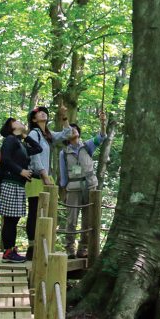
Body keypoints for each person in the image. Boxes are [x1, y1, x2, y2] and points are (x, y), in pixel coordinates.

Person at [24, 104, 72, 260]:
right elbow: (34, 156)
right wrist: (44, 175)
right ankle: (32, 247)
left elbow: (67, 133)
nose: (43, 114)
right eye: (39, 113)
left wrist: (64, 116)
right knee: (34, 212)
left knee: (46, 213)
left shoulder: (47, 135)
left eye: (45, 112)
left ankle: (43, 245)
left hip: (46, 178)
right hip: (37, 178)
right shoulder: (33, 133)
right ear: (33, 118)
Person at [57, 110, 105, 258]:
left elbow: (101, 137)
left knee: (88, 219)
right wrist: (63, 190)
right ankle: (69, 248)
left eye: (75, 128)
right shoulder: (64, 153)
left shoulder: (87, 146)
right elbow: (63, 175)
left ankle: (83, 248)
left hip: (90, 187)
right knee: (71, 219)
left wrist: (103, 122)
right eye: (71, 130)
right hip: (73, 188)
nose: (74, 131)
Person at [0, 117, 32, 263]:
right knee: (10, 220)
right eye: (16, 121)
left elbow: (38, 148)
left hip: (17, 184)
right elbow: (5, 159)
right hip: (10, 182)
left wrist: (25, 136)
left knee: (14, 219)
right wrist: (21, 171)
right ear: (11, 127)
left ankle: (10, 250)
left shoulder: (20, 143)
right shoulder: (10, 139)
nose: (20, 121)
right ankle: (8, 252)